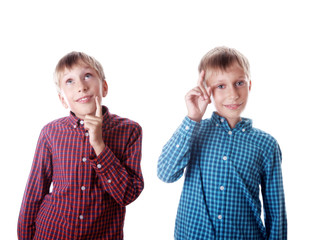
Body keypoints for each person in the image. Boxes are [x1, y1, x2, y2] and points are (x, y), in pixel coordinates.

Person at [157, 46, 287, 239]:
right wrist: (193, 118)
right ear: (206, 90)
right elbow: (166, 174)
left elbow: (276, 211)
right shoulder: (194, 131)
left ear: (249, 85)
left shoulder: (266, 145)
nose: (233, 94)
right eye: (221, 86)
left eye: (239, 83)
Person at [18, 52, 144, 240]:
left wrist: (100, 146)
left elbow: (127, 194)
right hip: (51, 233)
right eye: (70, 81)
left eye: (87, 76)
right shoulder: (50, 132)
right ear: (62, 99)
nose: (81, 87)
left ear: (104, 87)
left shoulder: (129, 131)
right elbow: (35, 191)